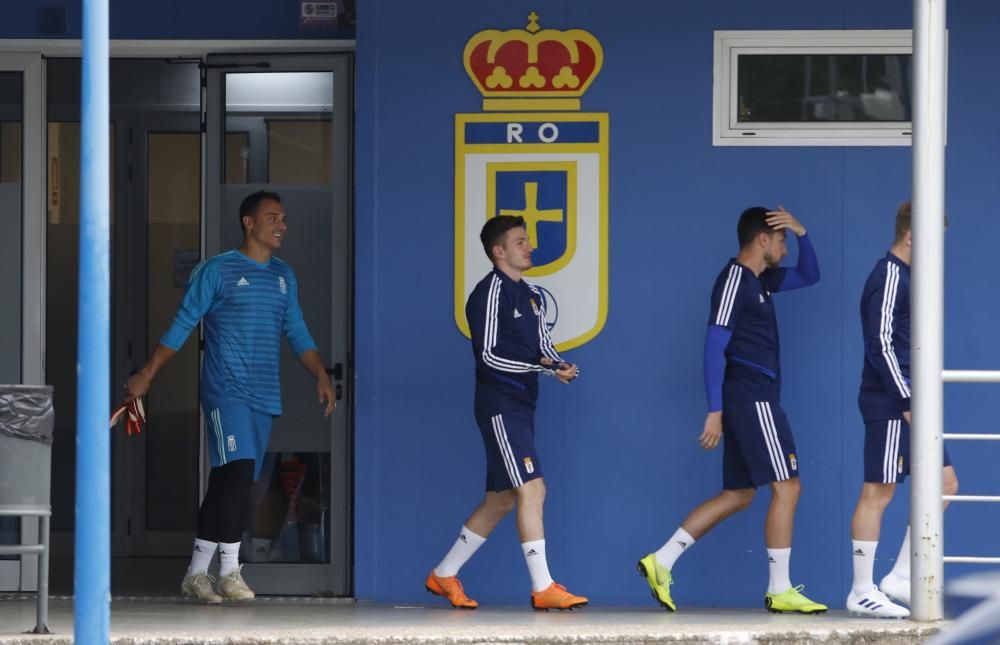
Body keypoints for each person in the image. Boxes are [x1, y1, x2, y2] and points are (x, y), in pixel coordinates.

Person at [124, 190, 335, 603]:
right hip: (226, 392)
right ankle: (230, 571)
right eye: (273, 217)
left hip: (263, 396)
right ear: (248, 222)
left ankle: (198, 573)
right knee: (236, 476)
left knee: (234, 482)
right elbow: (183, 323)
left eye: (284, 219)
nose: (282, 225)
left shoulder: (283, 275)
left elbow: (297, 332)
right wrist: (147, 374)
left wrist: (320, 374)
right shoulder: (216, 271)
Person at [637, 206, 827, 614]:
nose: (784, 247)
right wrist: (714, 409)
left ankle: (661, 560)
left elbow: (810, 274)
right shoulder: (734, 281)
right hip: (752, 396)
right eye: (781, 240)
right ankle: (780, 589)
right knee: (788, 486)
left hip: (752, 396)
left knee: (739, 494)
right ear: (762, 239)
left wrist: (801, 230)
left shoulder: (761, 280)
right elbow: (714, 345)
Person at [424, 215, 588, 611]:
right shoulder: (489, 293)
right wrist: (542, 368)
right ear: (498, 251)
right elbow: (489, 356)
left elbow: (543, 347)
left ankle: (443, 575)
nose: (529, 246)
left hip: (522, 404)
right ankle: (543, 587)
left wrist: (558, 364)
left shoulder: (530, 294)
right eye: (519, 241)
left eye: (527, 240)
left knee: (499, 500)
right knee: (533, 489)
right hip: (500, 405)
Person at [846, 201, 959, 618]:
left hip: (913, 401)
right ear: (912, 236)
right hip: (892, 401)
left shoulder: (910, 276)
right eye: (935, 239)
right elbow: (880, 344)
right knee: (879, 491)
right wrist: (908, 400)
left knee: (945, 483)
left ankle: (898, 577)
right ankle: (861, 590)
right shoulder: (889, 276)